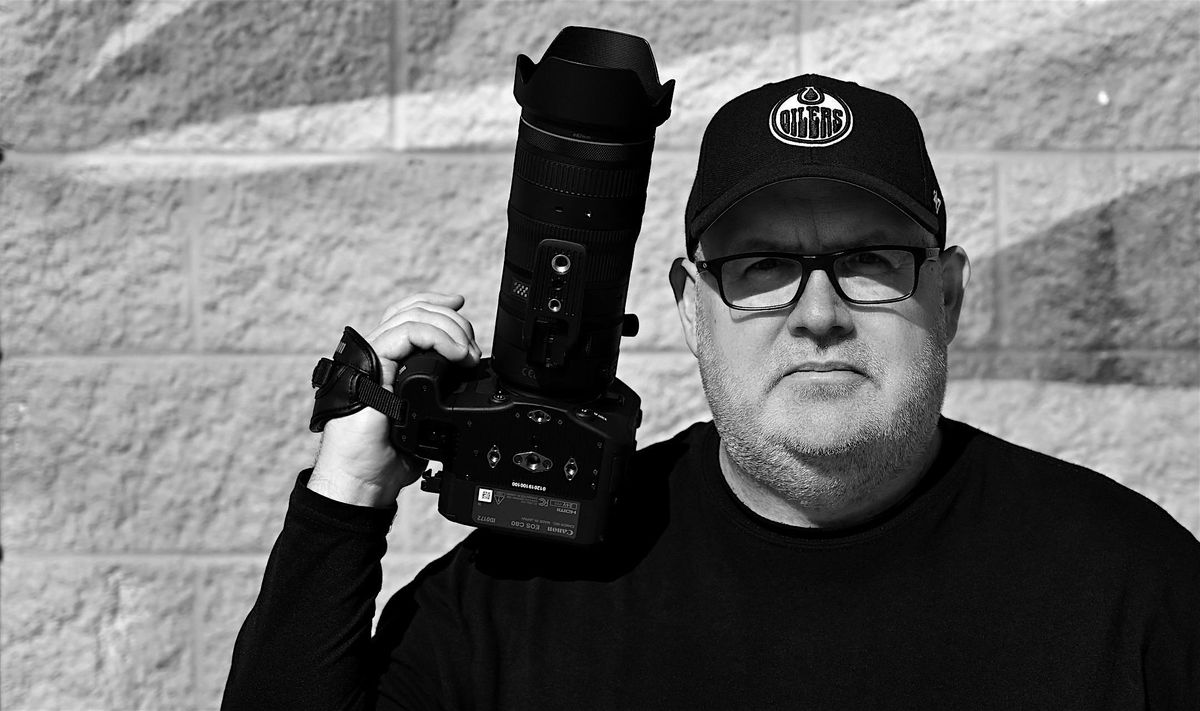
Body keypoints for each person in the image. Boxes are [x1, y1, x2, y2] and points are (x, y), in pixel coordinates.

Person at [222, 75, 1200, 709]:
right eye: (763, 266)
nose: (819, 314)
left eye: (869, 261)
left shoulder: (1130, 588)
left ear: (946, 295)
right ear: (692, 308)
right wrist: (347, 496)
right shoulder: (531, 594)